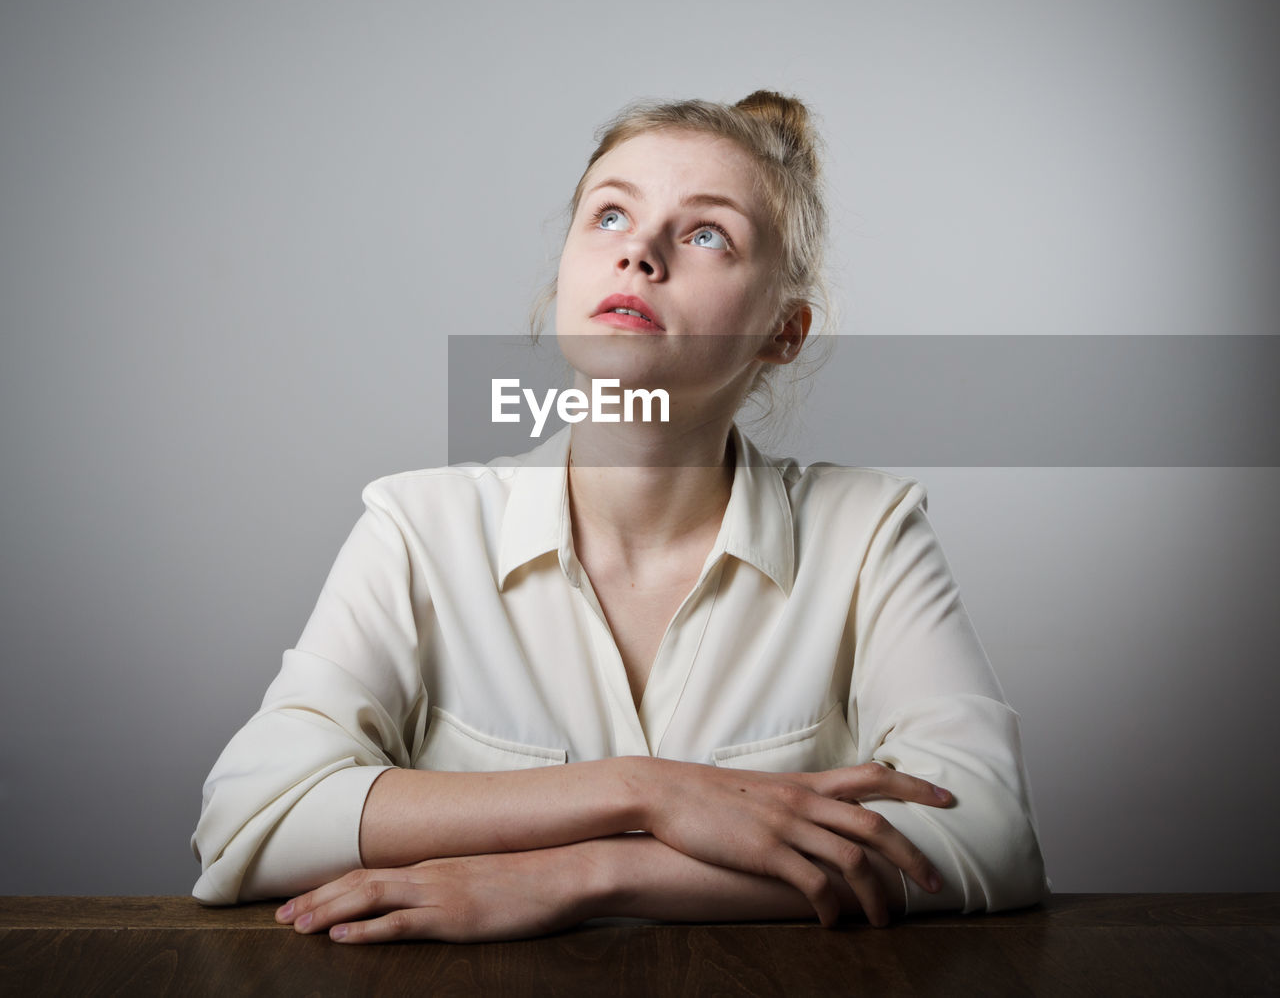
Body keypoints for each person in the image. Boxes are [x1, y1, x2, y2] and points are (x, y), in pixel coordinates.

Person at [190, 90, 1049, 944]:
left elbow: (989, 836)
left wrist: (588, 872)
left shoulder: (869, 530)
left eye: (707, 233)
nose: (638, 251)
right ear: (564, 268)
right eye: (609, 215)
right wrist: (645, 790)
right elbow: (249, 815)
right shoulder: (417, 527)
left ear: (783, 331)